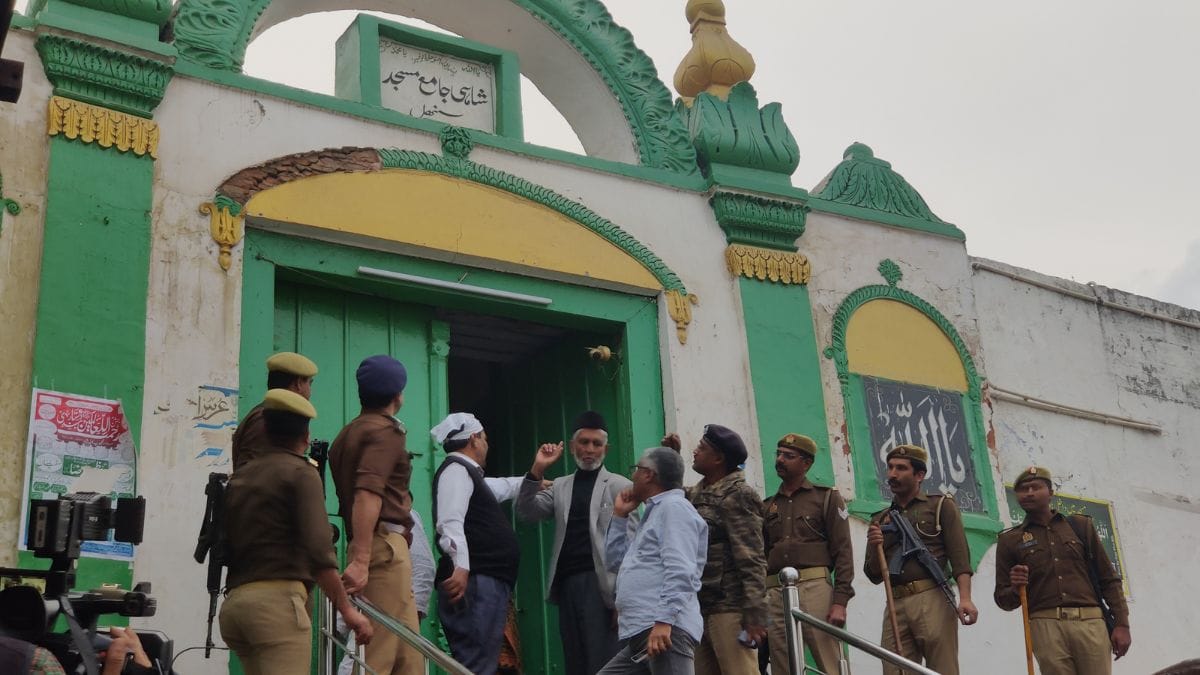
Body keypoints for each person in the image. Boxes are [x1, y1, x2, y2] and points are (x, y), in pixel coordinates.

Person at [220, 389, 372, 674]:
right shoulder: (301, 473)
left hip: (236, 607)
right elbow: (319, 552)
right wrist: (347, 610)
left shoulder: (242, 475)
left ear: (264, 430)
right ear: (305, 436)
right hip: (276, 609)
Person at [515, 411, 636, 675]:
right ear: (572, 446)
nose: (590, 449)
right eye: (584, 442)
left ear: (606, 448)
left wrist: (623, 598)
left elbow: (632, 547)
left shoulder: (620, 486)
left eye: (596, 443)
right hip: (568, 585)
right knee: (575, 662)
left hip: (602, 587)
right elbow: (526, 511)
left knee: (602, 663)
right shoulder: (561, 486)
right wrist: (538, 469)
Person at [329, 355, 420, 675]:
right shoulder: (386, 432)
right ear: (398, 395)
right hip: (383, 547)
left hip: (381, 546)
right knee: (378, 656)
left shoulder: (347, 434)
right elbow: (368, 493)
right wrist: (362, 558)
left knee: (409, 657)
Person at [994, 466, 1131, 674]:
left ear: (1050, 493)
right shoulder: (1009, 540)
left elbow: (1108, 579)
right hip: (1044, 625)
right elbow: (1003, 599)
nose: (1029, 493)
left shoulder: (1080, 526)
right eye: (1023, 489)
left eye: (1035, 487)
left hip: (1090, 622)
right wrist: (1014, 588)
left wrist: (1122, 624)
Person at [864, 444, 977, 675]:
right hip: (895, 601)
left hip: (932, 595)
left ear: (919, 475)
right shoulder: (881, 518)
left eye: (901, 468)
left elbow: (960, 556)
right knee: (895, 670)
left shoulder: (940, 506)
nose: (893, 474)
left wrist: (965, 598)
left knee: (941, 668)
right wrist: (879, 543)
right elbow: (873, 574)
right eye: (891, 467)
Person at [663, 425, 765, 675]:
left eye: (702, 448)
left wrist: (755, 613)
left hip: (730, 610)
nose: (695, 451)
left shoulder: (738, 494)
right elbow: (668, 497)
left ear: (718, 459)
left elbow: (752, 558)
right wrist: (671, 459)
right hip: (700, 607)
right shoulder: (699, 492)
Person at [597, 446, 707, 675]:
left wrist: (664, 621)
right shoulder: (654, 512)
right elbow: (615, 562)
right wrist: (620, 516)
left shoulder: (674, 509)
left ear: (648, 474)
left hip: (665, 630)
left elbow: (681, 570)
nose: (632, 476)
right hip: (643, 632)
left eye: (636, 469)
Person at [431, 412, 526, 675]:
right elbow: (449, 521)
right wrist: (460, 566)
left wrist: (535, 479)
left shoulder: (467, 474)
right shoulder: (455, 470)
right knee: (476, 664)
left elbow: (500, 487)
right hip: (476, 584)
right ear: (474, 439)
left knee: (487, 662)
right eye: (484, 438)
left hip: (484, 582)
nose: (486, 444)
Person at [762, 433, 854, 675]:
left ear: (807, 463)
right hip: (774, 590)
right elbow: (761, 555)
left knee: (829, 659)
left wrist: (840, 602)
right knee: (782, 663)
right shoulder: (766, 505)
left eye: (789, 456)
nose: (780, 459)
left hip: (814, 586)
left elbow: (843, 551)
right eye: (779, 454)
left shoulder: (826, 498)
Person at [338, 508, 436, 675]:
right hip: (369, 609)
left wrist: (412, 614)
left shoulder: (398, 515)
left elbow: (424, 567)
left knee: (370, 663)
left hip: (393, 605)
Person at [231, 351, 317, 471]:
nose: (310, 391)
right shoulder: (266, 418)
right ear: (298, 384)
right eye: (309, 383)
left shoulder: (267, 414)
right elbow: (257, 474)